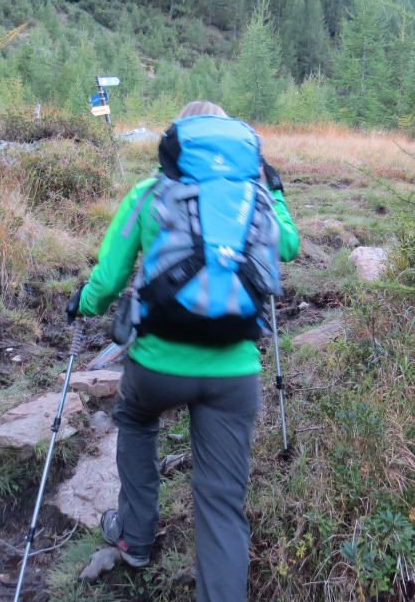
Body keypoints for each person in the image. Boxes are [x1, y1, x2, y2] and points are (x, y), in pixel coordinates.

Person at [69, 100, 300, 602]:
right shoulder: (255, 195)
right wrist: (276, 191)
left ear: (178, 144)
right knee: (221, 500)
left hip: (157, 364)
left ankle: (134, 537)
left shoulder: (150, 192)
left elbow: (107, 282)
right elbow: (288, 246)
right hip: (234, 371)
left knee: (134, 418)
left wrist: (81, 304)